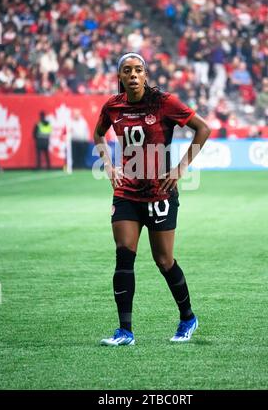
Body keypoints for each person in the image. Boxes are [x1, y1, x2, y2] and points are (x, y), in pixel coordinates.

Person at [93, 52, 211, 346]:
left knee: (164, 260)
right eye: (127, 70)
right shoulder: (112, 106)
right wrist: (108, 165)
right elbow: (98, 134)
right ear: (120, 77)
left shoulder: (164, 103)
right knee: (124, 255)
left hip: (160, 193)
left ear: (145, 75)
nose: (133, 75)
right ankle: (125, 332)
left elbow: (203, 128)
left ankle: (187, 317)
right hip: (127, 193)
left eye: (138, 70)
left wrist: (181, 168)